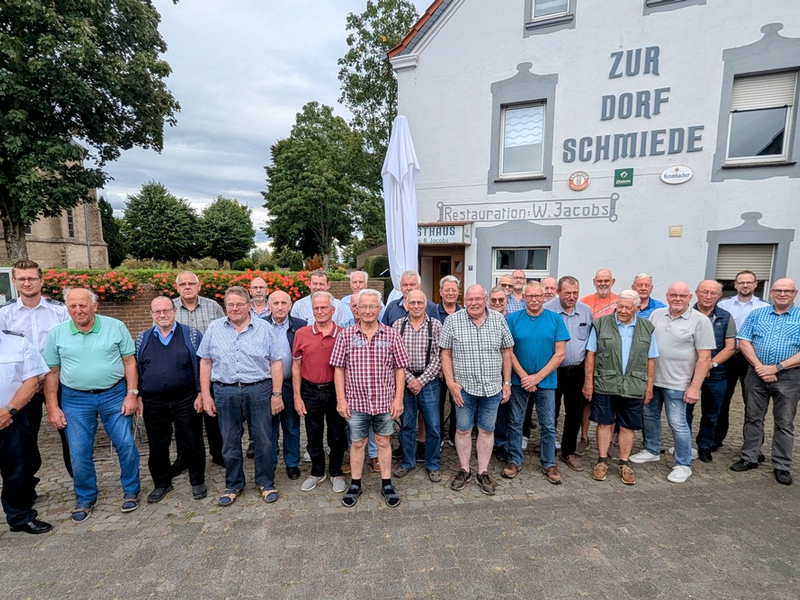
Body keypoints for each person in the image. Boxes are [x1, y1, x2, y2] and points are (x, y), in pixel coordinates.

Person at [44, 287, 142, 523]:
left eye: (83, 305)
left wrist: (132, 394)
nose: (78, 310)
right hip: (75, 399)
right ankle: (86, 497)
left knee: (126, 443)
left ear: (95, 306)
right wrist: (52, 407)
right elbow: (52, 372)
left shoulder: (115, 326)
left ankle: (131, 490)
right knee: (78, 451)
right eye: (73, 306)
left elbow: (129, 361)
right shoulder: (56, 334)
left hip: (114, 394)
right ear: (67, 308)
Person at [198, 286, 285, 506]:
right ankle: (233, 483)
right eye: (230, 304)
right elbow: (205, 362)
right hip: (224, 390)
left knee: (264, 439)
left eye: (239, 304)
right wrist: (206, 395)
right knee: (229, 440)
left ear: (249, 305)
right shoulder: (214, 328)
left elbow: (276, 362)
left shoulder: (264, 328)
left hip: (258, 389)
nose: (235, 308)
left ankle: (265, 482)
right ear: (225, 306)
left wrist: (277, 394)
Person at [331, 289, 410, 508]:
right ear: (356, 309)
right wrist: (341, 399)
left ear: (379, 309)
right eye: (362, 306)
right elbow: (338, 369)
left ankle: (386, 483)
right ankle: (355, 484)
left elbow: (400, 368)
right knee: (357, 443)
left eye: (371, 306)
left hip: (385, 401)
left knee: (383, 442)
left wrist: (399, 399)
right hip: (355, 402)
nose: (367, 311)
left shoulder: (392, 334)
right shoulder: (345, 335)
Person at [631, 282, 715, 483]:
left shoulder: (700, 321)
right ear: (667, 296)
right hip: (653, 379)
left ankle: (683, 463)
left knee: (678, 423)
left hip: (679, 382)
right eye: (673, 295)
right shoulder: (657, 315)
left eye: (682, 296)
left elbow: (704, 358)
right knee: (649, 416)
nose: (677, 299)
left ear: (689, 298)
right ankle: (652, 449)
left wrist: (695, 387)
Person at [0, 259, 71, 482]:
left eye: (32, 278)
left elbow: (69, 345)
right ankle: (25, 487)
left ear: (41, 280)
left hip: (57, 382)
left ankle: (81, 484)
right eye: (22, 279)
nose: (27, 283)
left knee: (69, 435)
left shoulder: (59, 311)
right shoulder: (5, 314)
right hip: (21, 388)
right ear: (14, 281)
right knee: (23, 441)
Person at [440, 285, 513, 495]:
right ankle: (464, 470)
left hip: (492, 387)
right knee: (462, 429)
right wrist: (451, 383)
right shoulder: (453, 321)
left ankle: (483, 471)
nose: (473, 303)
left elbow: (507, 352)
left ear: (485, 299)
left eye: (477, 299)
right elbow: (445, 354)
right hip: (464, 388)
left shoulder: (499, 320)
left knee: (487, 430)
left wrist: (506, 382)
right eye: (470, 299)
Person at [135, 296, 207, 503]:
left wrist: (202, 392)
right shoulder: (142, 339)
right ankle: (162, 483)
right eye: (157, 312)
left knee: (193, 441)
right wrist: (138, 395)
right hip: (154, 401)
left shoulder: (192, 335)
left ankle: (197, 481)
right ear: (151, 314)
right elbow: (137, 369)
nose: (162, 315)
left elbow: (203, 365)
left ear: (174, 311)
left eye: (166, 310)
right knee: (158, 445)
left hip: (186, 398)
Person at [582, 290, 658, 485]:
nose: (623, 310)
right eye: (620, 306)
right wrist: (588, 382)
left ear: (637, 308)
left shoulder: (647, 328)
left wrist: (649, 386)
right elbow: (591, 354)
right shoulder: (600, 324)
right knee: (604, 422)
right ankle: (601, 461)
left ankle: (624, 463)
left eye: (627, 307)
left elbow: (651, 359)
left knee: (628, 425)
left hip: (634, 384)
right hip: (606, 382)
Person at [731, 279, 800, 486]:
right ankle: (749, 457)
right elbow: (744, 341)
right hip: (756, 374)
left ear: (794, 293)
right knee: (753, 417)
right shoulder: (758, 314)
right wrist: (760, 366)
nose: (782, 294)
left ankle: (782, 465)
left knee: (785, 423)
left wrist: (777, 367)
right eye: (778, 290)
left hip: (789, 376)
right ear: (771, 292)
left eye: (787, 291)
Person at [506, 282, 569, 484]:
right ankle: (514, 460)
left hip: (547, 381)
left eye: (538, 296)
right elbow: (508, 351)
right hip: (518, 380)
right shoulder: (513, 319)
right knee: (515, 422)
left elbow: (560, 354)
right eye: (529, 296)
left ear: (544, 297)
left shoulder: (555, 319)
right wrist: (525, 376)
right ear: (523, 297)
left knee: (548, 424)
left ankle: (549, 463)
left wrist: (537, 377)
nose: (534, 300)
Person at [292, 291, 348, 493]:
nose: (320, 311)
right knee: (313, 434)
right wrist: (297, 397)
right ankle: (317, 472)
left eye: (324, 307)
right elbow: (296, 367)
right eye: (316, 308)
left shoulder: (343, 334)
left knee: (337, 435)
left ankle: (336, 472)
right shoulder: (301, 334)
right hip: (309, 390)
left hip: (335, 390)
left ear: (332, 310)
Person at [0, 328, 52, 534]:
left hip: (14, 417)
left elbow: (32, 381)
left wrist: (8, 410)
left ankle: (20, 517)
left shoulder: (18, 342)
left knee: (17, 470)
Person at [172, 270, 225, 472]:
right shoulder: (170, 308)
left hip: (210, 367)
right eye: (183, 284)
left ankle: (218, 453)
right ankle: (184, 456)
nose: (187, 287)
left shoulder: (212, 307)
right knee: (184, 418)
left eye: (191, 283)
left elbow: (225, 331)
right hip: (182, 371)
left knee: (213, 414)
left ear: (199, 285)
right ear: (177, 288)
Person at [715, 270, 770, 452]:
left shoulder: (764, 307)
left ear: (756, 285)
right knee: (722, 400)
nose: (745, 285)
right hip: (728, 357)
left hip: (753, 359)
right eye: (741, 282)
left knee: (753, 404)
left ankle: (753, 446)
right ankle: (716, 439)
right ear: (735, 285)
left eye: (749, 282)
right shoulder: (724, 305)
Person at [392, 290, 443, 482]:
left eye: (419, 303)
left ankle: (433, 464)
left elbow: (439, 357)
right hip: (404, 381)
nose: (415, 306)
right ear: (406, 304)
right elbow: (394, 357)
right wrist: (408, 379)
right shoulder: (398, 326)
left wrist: (420, 381)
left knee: (433, 425)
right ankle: (407, 462)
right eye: (412, 302)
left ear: (425, 304)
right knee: (406, 425)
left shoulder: (436, 326)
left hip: (429, 381)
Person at [544, 276, 593, 472]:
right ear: (558, 291)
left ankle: (568, 452)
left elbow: (590, 346)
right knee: (550, 412)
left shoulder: (586, 311)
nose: (572, 297)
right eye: (567, 293)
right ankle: (548, 451)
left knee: (573, 413)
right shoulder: (547, 310)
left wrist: (588, 378)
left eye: (575, 293)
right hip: (553, 370)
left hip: (577, 370)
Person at [689, 281, 736, 463]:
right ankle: (683, 445)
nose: (708, 296)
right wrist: (697, 366)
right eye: (704, 292)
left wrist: (709, 364)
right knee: (685, 412)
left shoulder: (726, 317)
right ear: (697, 293)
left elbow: (730, 347)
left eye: (713, 293)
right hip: (688, 373)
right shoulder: (687, 315)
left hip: (717, 374)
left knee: (711, 413)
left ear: (719, 296)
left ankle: (705, 446)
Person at [265, 290, 306, 480]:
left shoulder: (301, 326)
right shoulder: (260, 325)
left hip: (291, 383)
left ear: (290, 305)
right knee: (269, 427)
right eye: (276, 303)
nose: (280, 307)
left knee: (291, 425)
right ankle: (270, 462)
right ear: (269, 306)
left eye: (284, 303)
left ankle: (292, 463)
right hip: (266, 384)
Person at [435, 276, 463, 449]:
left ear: (458, 292)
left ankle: (455, 434)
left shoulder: (465, 313)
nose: (451, 293)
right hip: (437, 368)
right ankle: (437, 436)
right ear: (441, 292)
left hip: (459, 367)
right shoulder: (432, 312)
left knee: (457, 402)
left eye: (454, 290)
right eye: (447, 290)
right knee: (436, 404)